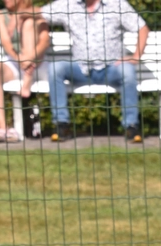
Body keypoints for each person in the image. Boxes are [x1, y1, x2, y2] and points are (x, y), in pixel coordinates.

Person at [41, 0, 149, 144]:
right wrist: (15, 14)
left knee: (128, 71)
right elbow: (36, 14)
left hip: (111, 68)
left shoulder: (117, 4)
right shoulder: (68, 4)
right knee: (55, 68)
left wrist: (136, 56)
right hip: (80, 69)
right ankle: (62, 124)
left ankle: (131, 126)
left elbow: (142, 28)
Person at [0, 0, 51, 142]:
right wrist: (20, 59)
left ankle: (28, 78)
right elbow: (6, 42)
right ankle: (3, 128)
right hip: (15, 61)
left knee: (28, 24)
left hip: (38, 63)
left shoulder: (36, 12)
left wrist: (29, 59)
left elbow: (45, 41)